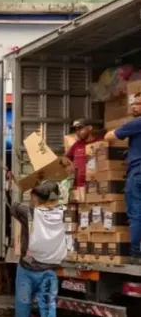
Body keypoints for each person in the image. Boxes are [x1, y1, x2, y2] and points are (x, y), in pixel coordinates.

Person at [9, 180, 66, 317]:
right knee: (47, 310)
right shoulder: (63, 214)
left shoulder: (29, 213)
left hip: (27, 269)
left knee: (23, 309)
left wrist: (20, 185)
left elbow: (14, 206)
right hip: (49, 271)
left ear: (35, 198)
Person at [105, 93, 141, 264]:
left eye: (138, 104)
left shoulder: (137, 123)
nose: (134, 107)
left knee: (136, 213)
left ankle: (135, 254)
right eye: (133, 103)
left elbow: (109, 136)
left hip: (138, 173)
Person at [65, 119, 102, 190]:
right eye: (76, 130)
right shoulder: (77, 145)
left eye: (80, 128)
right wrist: (69, 164)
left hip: (94, 184)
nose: (78, 132)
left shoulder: (99, 143)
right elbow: (66, 157)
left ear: (89, 128)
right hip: (79, 186)